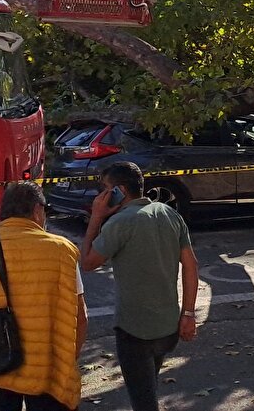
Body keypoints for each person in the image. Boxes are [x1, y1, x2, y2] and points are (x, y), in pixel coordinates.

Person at [0, 182, 87, 411]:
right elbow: (81, 318)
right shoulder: (64, 250)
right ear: (37, 211)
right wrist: (66, 362)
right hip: (49, 370)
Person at [80, 162, 199, 411]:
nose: (101, 195)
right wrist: (188, 313)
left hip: (134, 331)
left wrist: (96, 217)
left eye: (106, 189)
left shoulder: (120, 222)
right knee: (148, 389)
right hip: (168, 328)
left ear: (120, 190)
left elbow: (88, 262)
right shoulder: (170, 214)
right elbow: (191, 266)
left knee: (143, 402)